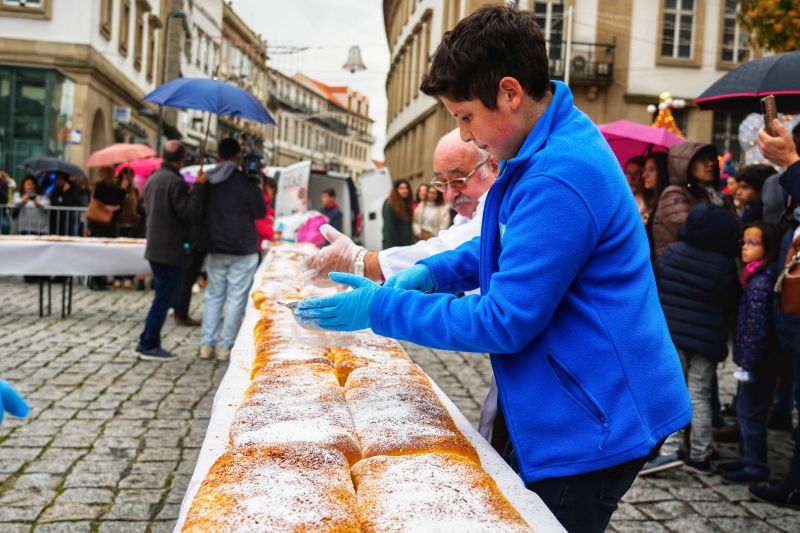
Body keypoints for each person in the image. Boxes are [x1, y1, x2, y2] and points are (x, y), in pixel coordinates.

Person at [295, 6, 691, 530]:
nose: (466, 134)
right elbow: (504, 243)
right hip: (582, 395)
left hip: (598, 417)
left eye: (464, 116)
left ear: (509, 92)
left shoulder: (559, 174)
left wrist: (382, 306)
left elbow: (503, 321)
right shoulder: (542, 144)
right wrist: (434, 273)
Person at [304, 129, 498, 283]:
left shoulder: (498, 206)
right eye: (441, 183)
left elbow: (450, 253)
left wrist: (362, 261)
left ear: (493, 165)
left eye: (458, 180)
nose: (450, 195)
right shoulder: (467, 213)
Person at [642, 204, 740, 475]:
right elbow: (730, 303)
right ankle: (700, 452)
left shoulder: (672, 253)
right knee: (700, 394)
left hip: (674, 336)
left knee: (672, 389)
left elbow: (658, 288)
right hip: (707, 341)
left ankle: (670, 449)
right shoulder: (724, 267)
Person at [715, 221, 782, 484]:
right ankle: (747, 458)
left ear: (768, 249)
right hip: (753, 360)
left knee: (751, 413)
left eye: (753, 243)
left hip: (758, 363)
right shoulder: (753, 276)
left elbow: (756, 329)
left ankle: (755, 466)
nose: (745, 248)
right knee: (745, 410)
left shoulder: (760, 284)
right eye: (744, 242)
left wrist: (747, 364)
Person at [136, 141, 207, 362]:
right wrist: (199, 187)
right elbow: (188, 212)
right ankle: (148, 344)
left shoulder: (154, 178)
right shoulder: (175, 182)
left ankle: (147, 340)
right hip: (169, 249)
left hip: (156, 247)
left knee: (162, 297)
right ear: (182, 158)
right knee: (163, 299)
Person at [200, 138, 266, 362]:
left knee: (214, 296)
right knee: (236, 298)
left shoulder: (207, 180)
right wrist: (258, 184)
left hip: (217, 245)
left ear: (218, 155)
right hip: (243, 246)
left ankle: (206, 344)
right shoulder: (247, 181)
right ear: (239, 157)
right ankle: (225, 347)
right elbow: (260, 213)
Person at [652, 141, 721, 257]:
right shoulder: (673, 193)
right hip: (677, 269)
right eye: (702, 159)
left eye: (711, 159)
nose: (710, 164)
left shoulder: (702, 192)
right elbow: (691, 232)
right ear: (685, 164)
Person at [87, 166, 126, 291]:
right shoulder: (101, 187)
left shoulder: (105, 187)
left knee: (102, 252)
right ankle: (95, 279)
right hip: (101, 224)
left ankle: (100, 278)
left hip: (105, 224)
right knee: (99, 252)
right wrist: (123, 188)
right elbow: (116, 197)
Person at [115, 167, 144, 289]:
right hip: (120, 224)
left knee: (130, 252)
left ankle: (129, 277)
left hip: (132, 225)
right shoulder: (117, 188)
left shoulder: (135, 190)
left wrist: (137, 216)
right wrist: (122, 188)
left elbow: (138, 205)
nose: (129, 177)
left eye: (131, 175)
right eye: (126, 175)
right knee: (118, 252)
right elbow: (115, 201)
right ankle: (117, 277)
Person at [640, 153, 670, 260]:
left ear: (663, 173)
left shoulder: (666, 206)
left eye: (651, 170)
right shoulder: (653, 204)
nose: (644, 175)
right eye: (644, 170)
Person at [382, 179, 415, 248]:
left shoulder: (406, 203)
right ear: (396, 190)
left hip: (407, 244)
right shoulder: (390, 204)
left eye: (406, 188)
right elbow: (389, 228)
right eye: (401, 188)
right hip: (395, 246)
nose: (405, 190)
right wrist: (393, 248)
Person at [255, 176, 276, 251]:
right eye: (274, 191)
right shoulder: (261, 201)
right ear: (269, 188)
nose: (273, 195)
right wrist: (271, 234)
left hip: (257, 244)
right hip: (254, 246)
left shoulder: (264, 202)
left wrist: (271, 213)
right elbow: (259, 223)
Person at [624, 156, 647, 220]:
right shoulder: (622, 197)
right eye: (627, 174)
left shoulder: (647, 204)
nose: (630, 179)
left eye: (635, 175)